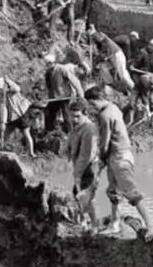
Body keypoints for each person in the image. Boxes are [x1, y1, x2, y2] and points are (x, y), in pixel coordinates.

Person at [84, 85, 153, 241]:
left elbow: (105, 142)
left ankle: (150, 225)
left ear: (98, 99)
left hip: (119, 157)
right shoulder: (113, 107)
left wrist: (101, 160)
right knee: (113, 192)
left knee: (131, 193)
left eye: (92, 104)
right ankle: (115, 224)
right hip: (117, 155)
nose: (91, 108)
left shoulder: (105, 116)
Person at [64, 99, 101, 231]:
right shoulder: (77, 127)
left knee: (85, 196)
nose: (74, 119)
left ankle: (93, 225)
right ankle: (85, 222)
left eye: (77, 116)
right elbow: (70, 143)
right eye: (71, 116)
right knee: (79, 195)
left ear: (85, 114)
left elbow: (87, 155)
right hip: (80, 165)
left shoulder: (89, 129)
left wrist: (77, 174)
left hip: (89, 167)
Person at [0, 76, 42, 158]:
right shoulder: (1, 98)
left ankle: (31, 153)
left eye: (0, 89)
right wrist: (3, 122)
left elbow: (17, 88)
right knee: (5, 134)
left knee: (26, 134)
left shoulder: (13, 91)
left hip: (22, 114)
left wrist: (9, 82)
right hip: (12, 118)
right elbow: (3, 110)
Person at [44, 53, 84, 134]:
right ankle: (50, 131)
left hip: (64, 96)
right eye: (46, 64)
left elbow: (74, 80)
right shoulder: (48, 73)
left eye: (48, 64)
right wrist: (50, 96)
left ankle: (70, 132)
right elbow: (49, 86)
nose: (47, 65)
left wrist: (80, 93)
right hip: (54, 97)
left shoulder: (61, 69)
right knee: (49, 112)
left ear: (52, 63)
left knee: (66, 114)